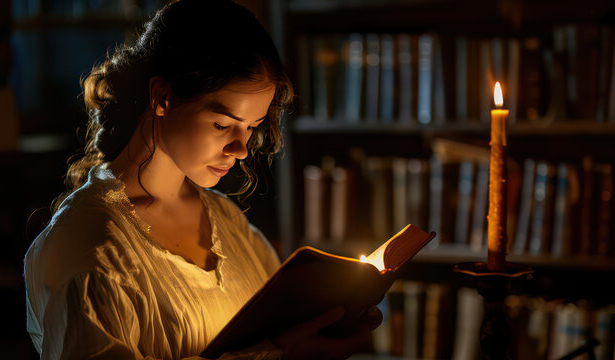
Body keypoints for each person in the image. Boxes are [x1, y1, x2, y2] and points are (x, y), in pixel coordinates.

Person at [24, 1, 381, 359]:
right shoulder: (92, 249)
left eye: (251, 128)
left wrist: (333, 318)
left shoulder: (226, 222)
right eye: (222, 125)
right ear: (162, 97)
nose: (241, 149)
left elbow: (277, 326)